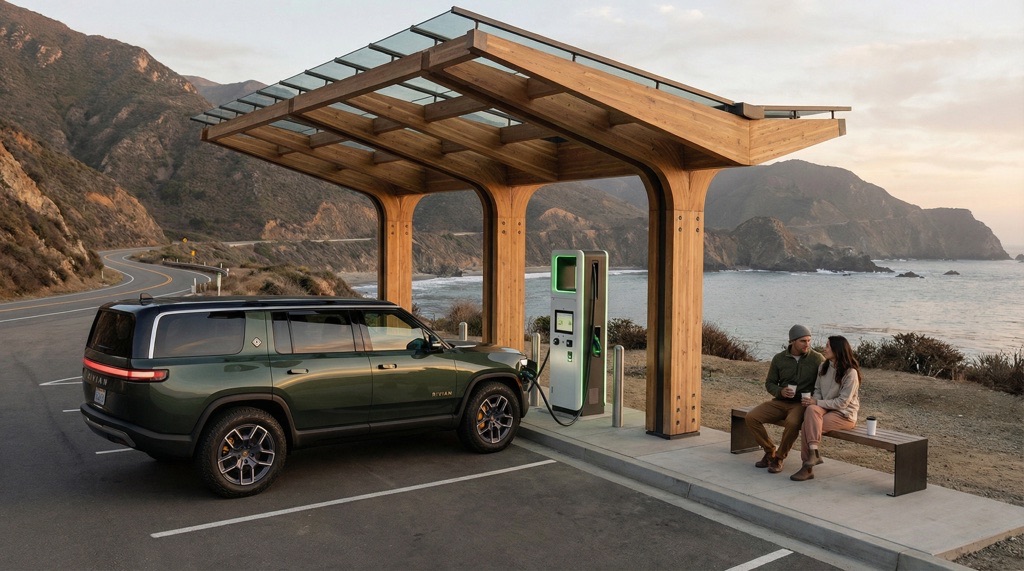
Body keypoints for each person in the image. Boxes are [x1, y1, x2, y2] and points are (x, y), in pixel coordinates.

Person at [745, 325, 825, 474]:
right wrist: (780, 391)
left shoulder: (817, 359)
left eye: (809, 340)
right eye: (803, 341)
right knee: (751, 417)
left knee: (792, 423)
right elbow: (769, 383)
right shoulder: (779, 359)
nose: (807, 344)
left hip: (801, 404)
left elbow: (825, 381)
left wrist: (814, 399)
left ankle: (779, 457)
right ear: (792, 341)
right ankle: (770, 451)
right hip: (780, 401)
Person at [790, 335, 862, 482]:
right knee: (811, 411)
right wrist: (813, 401)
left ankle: (807, 467)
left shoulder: (850, 373)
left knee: (807, 425)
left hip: (844, 414)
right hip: (824, 409)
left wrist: (816, 402)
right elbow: (817, 389)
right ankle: (814, 452)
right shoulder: (823, 367)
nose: (824, 348)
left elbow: (842, 403)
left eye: (828, 346)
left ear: (838, 350)